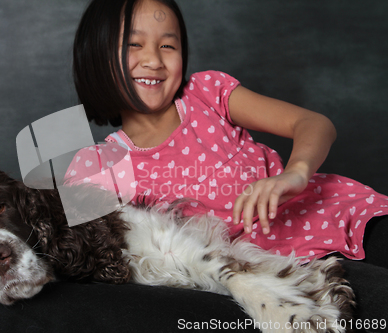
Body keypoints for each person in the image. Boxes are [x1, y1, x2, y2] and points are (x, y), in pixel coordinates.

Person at [69, 0, 388, 271]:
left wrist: (296, 173)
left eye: (168, 45)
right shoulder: (100, 169)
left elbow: (313, 123)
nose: (154, 60)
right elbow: (74, 252)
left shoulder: (207, 93)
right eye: (133, 45)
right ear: (97, 57)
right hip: (270, 275)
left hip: (334, 216)